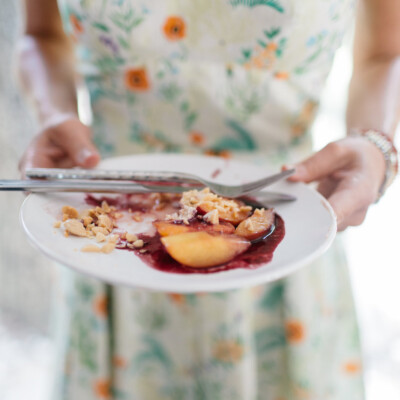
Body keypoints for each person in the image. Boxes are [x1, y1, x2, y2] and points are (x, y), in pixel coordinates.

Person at [16, 0, 398, 399]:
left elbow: (386, 53)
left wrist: (376, 144)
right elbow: (40, 36)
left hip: (287, 246)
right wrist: (53, 113)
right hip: (111, 247)